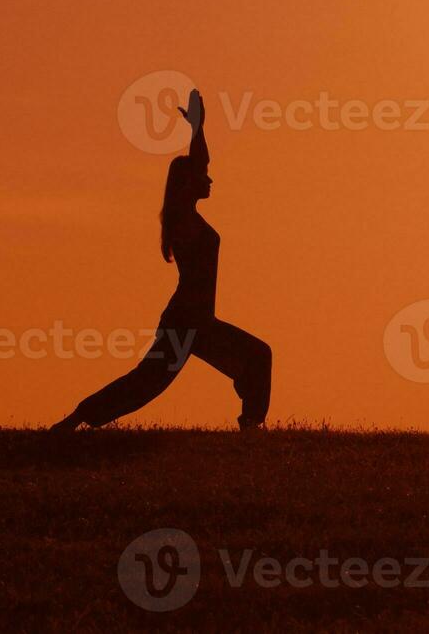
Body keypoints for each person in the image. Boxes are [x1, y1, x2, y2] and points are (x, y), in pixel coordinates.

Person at [51, 88, 271, 432]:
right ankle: (77, 418)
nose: (211, 179)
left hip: (199, 322)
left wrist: (199, 129)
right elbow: (198, 164)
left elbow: (201, 166)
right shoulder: (181, 216)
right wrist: (196, 130)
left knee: (257, 356)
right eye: (203, 177)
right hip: (185, 323)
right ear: (188, 183)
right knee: (146, 383)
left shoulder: (189, 217)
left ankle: (251, 425)